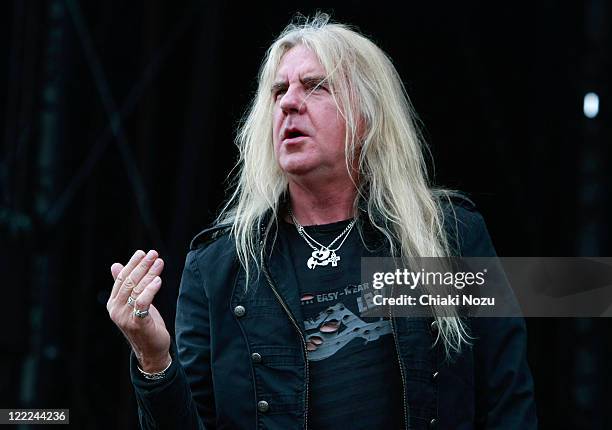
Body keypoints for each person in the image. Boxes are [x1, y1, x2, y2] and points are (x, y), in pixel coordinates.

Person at [107, 13, 537, 429]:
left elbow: (507, 397)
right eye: (278, 92)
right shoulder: (221, 264)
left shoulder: (444, 236)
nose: (289, 102)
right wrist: (154, 360)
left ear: (367, 115)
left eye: (315, 87)